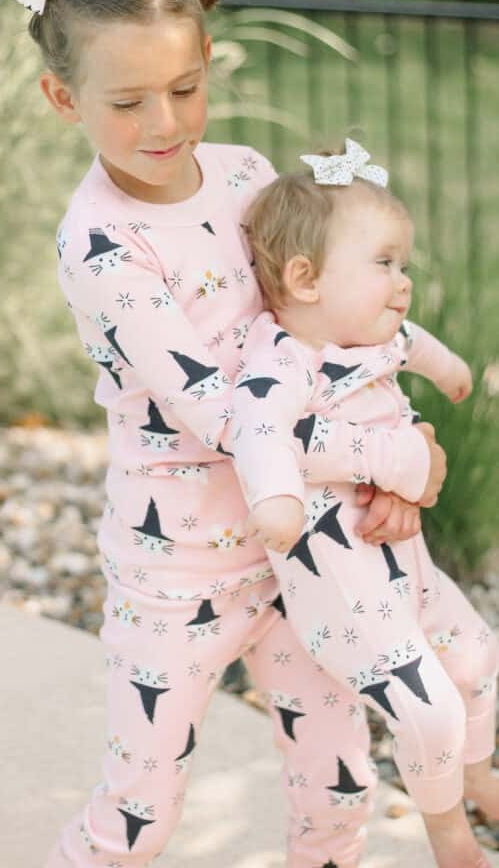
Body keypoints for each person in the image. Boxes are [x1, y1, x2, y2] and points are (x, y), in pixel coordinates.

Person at [0, 0, 448, 868]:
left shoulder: (244, 179)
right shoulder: (103, 247)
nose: (163, 123)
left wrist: (376, 482)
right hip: (177, 570)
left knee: (338, 776)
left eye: (184, 89)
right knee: (140, 809)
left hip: (301, 552)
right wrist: (392, 458)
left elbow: (314, 336)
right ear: (62, 98)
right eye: (128, 102)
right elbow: (224, 415)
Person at [231, 140, 499, 868]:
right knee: (429, 707)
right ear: (304, 278)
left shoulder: (370, 339)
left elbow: (417, 348)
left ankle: (477, 776)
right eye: (383, 264)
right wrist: (279, 501)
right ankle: (448, 835)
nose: (402, 281)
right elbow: (258, 431)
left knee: (477, 657)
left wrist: (450, 376)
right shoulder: (283, 364)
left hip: (404, 572)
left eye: (402, 264)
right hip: (345, 594)